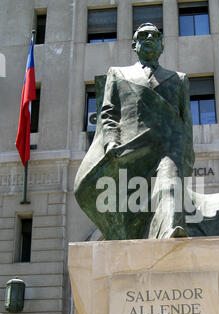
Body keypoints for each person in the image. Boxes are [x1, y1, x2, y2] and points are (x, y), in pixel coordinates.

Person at [74, 22, 196, 240]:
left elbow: (185, 122)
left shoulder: (179, 79)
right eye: (142, 35)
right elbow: (109, 113)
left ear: (162, 45)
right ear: (134, 45)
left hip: (166, 150)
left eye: (154, 35)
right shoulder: (118, 74)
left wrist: (186, 157)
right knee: (127, 210)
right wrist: (110, 142)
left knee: (170, 186)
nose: (148, 38)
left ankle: (169, 233)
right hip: (130, 151)